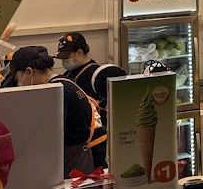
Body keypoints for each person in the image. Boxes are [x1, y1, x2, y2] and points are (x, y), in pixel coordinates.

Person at [8, 45, 95, 176]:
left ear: (29, 72)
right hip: (77, 154)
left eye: (18, 78)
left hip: (76, 161)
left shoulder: (56, 92)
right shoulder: (63, 82)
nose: (19, 82)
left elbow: (49, 137)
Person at [55, 32, 125, 169]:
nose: (63, 61)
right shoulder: (68, 74)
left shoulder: (97, 76)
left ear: (80, 52)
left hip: (95, 146)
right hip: (77, 144)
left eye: (66, 57)